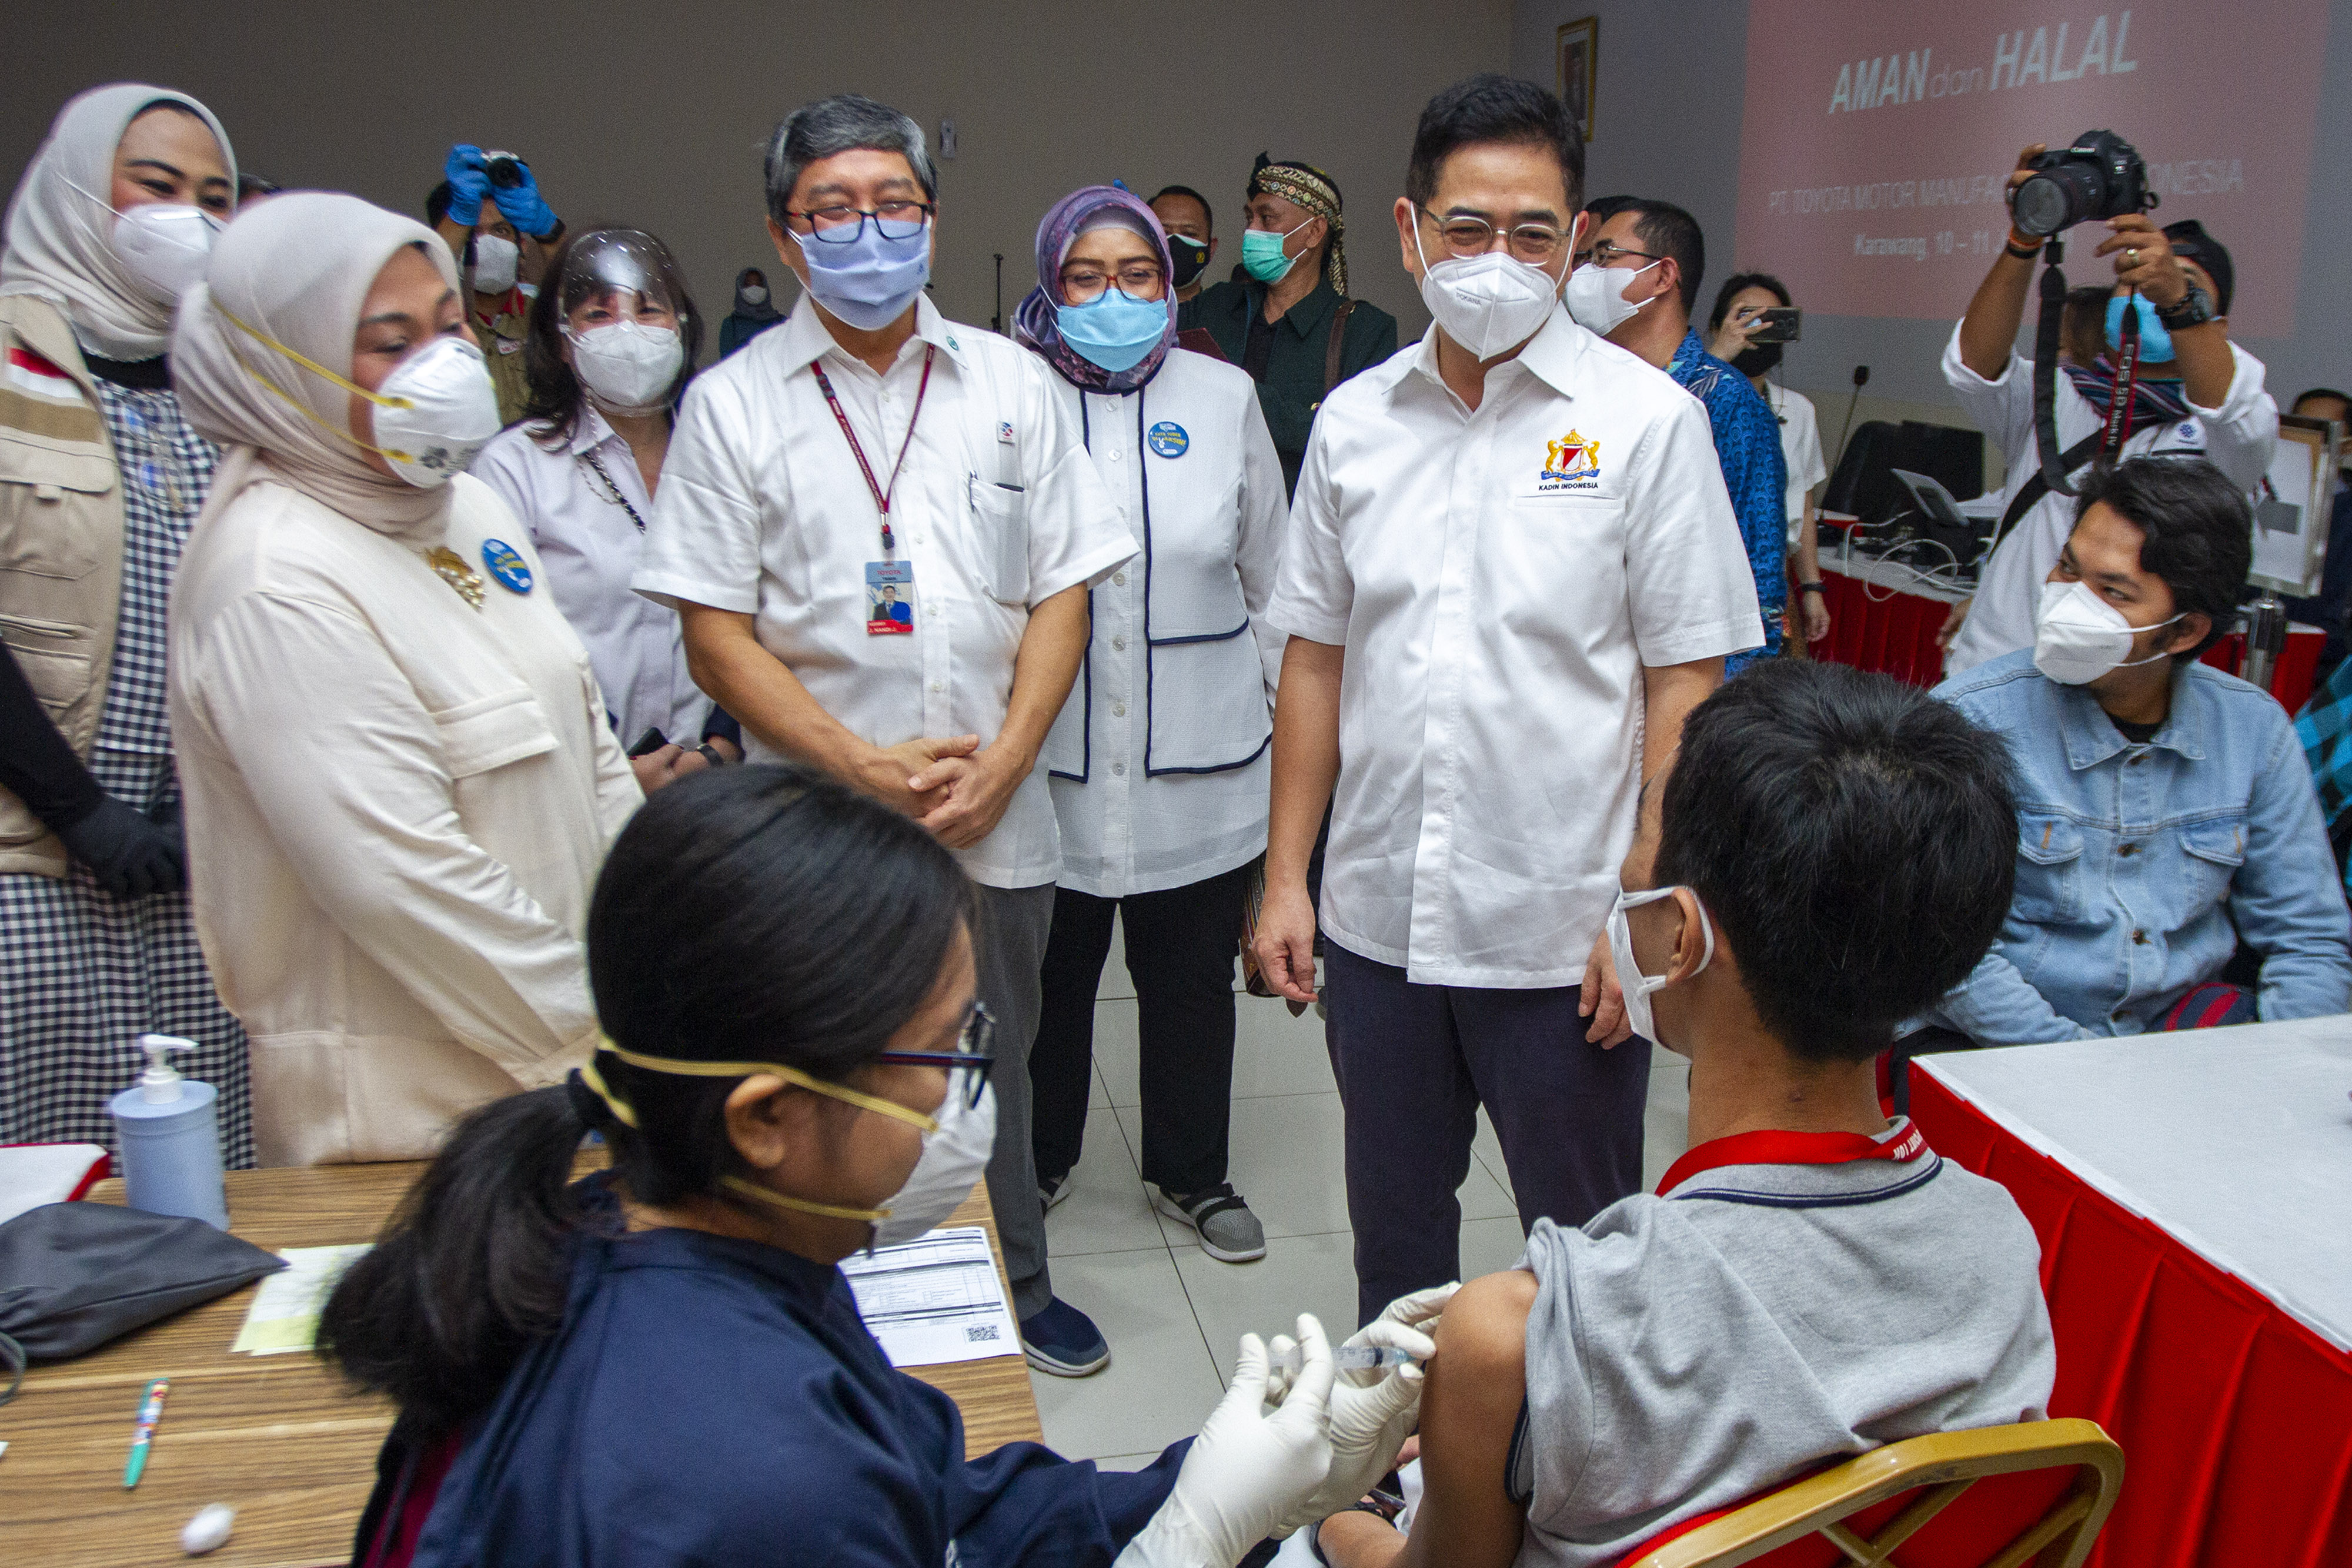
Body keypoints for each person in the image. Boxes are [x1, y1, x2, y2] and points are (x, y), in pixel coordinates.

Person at [317, 765, 1454, 1568]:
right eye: (947, 1046)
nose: (974, 1087)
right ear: (766, 1118)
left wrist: (1209, 1474)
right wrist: (1190, 1542)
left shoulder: (634, 1233)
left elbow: (943, 1508)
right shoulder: (753, 1482)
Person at [1305, 660, 2056, 1568]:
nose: (1627, 863)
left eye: (1643, 819)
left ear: (1679, 934)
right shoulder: (2004, 1244)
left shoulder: (1523, 1333)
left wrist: (1338, 1522)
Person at [631, 94, 1136, 1377]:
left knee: (996, 1066)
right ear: (785, 237)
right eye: (832, 209)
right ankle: (820, 1306)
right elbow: (714, 632)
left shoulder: (1013, 382)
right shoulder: (732, 404)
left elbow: (1063, 590)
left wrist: (1011, 758)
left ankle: (1014, 1286)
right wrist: (858, 769)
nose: (869, 231)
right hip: (822, 823)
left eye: (894, 204)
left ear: (929, 216)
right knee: (822, 1070)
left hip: (995, 807)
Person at [1252, 73, 1764, 1325]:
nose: (1498, 258)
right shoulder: (1352, 422)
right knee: (1396, 1242)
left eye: (1532, 231)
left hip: (1564, 930)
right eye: (1468, 228)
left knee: (1588, 1257)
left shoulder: (1645, 423)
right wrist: (1282, 876)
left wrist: (1643, 896)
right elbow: (1313, 655)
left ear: (1575, 238)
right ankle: (1402, 1479)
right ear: (1409, 230)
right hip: (1378, 919)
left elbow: (1684, 674)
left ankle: (1578, 1497)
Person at [166, 192, 640, 1166]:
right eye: (391, 342)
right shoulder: (275, 578)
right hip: (410, 1119)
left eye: (449, 325)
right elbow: (401, 881)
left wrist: (666, 954)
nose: (443, 364)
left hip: (580, 1071)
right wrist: (620, 1044)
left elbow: (590, 747)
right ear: (275, 366)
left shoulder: (466, 507)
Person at [1013, 184, 1287, 1262]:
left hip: (1201, 763)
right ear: (1052, 286)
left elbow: (1275, 582)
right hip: (1052, 764)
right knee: (1049, 981)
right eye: (1087, 277)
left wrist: (1283, 744)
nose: (1114, 296)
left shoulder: (1222, 395)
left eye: (1137, 275)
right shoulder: (1014, 396)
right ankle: (1037, 1158)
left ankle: (1192, 1170)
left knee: (1188, 984)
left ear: (1169, 282)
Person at [0, 84, 254, 1166]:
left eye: (213, 195)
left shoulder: (228, 384)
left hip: (203, 867)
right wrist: (82, 812)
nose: (185, 216)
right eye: (154, 186)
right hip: (34, 864)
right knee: (46, 1196)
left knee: (218, 1183)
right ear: (75, 188)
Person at [1911, 457, 2351, 1065]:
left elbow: (2307, 938)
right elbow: (1948, 955)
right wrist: (2086, 1071)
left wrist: (2284, 1074)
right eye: (2068, 567)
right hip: (1997, 1045)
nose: (2067, 601)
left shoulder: (2253, 732)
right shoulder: (1965, 719)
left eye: (2112, 592)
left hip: (2178, 1037)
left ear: (2184, 631)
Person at [1939, 146, 2276, 677]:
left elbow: (2229, 408)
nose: (2150, 294)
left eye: (2185, 288)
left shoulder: (2226, 433)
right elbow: (1975, 367)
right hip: (1994, 670)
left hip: (2120, 689)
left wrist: (2178, 304)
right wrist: (2024, 239)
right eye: (2135, 280)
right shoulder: (2061, 394)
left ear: (2219, 327)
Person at [472, 227, 731, 781]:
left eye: (649, 309)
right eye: (599, 314)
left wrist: (719, 750)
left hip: (714, 784)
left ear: (680, 328)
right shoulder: (514, 467)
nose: (628, 332)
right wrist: (608, 769)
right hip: (571, 775)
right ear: (564, 341)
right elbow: (500, 641)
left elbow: (770, 613)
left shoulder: (727, 448)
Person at [1577, 199, 1786, 668]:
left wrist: (1718, 723)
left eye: (1605, 257)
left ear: (1663, 275)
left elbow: (1759, 580)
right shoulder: (1585, 389)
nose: (1587, 274)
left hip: (1684, 677)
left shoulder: (1726, 404)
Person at [1188, 154, 1397, 496]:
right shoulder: (1217, 305)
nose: (1251, 230)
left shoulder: (1365, 331)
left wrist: (1232, 394)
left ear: (1314, 231)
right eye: (1249, 217)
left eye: (1267, 219)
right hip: (1210, 528)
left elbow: (1354, 443)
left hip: (1299, 534)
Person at [1708, 272, 1829, 647]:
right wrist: (1718, 357)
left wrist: (1812, 587)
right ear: (1718, 324)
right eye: (1747, 316)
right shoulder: (1690, 396)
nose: (1759, 328)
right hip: (1709, 576)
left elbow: (1803, 503)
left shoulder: (1798, 409)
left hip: (1773, 581)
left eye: (1772, 319)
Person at [426, 145, 564, 426]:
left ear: (521, 246)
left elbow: (588, 290)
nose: (486, 241)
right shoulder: (438, 323)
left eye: (500, 230)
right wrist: (457, 218)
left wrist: (549, 230)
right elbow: (421, 283)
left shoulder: (544, 316)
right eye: (472, 233)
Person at [2282, 387, 2352, 677]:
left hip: (2321, 672)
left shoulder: (2347, 512)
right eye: (2298, 427)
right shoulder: (2254, 498)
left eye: (2320, 431)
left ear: (2347, 446)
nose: (2305, 440)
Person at [1152, 185, 1218, 313]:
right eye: (1164, 233)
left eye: (1189, 233)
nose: (1175, 241)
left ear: (1211, 248)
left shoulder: (1227, 317)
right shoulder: (1123, 316)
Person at [719, 265, 782, 356]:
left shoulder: (781, 322)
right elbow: (727, 361)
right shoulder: (731, 325)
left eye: (759, 284)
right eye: (749, 285)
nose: (754, 288)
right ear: (740, 288)